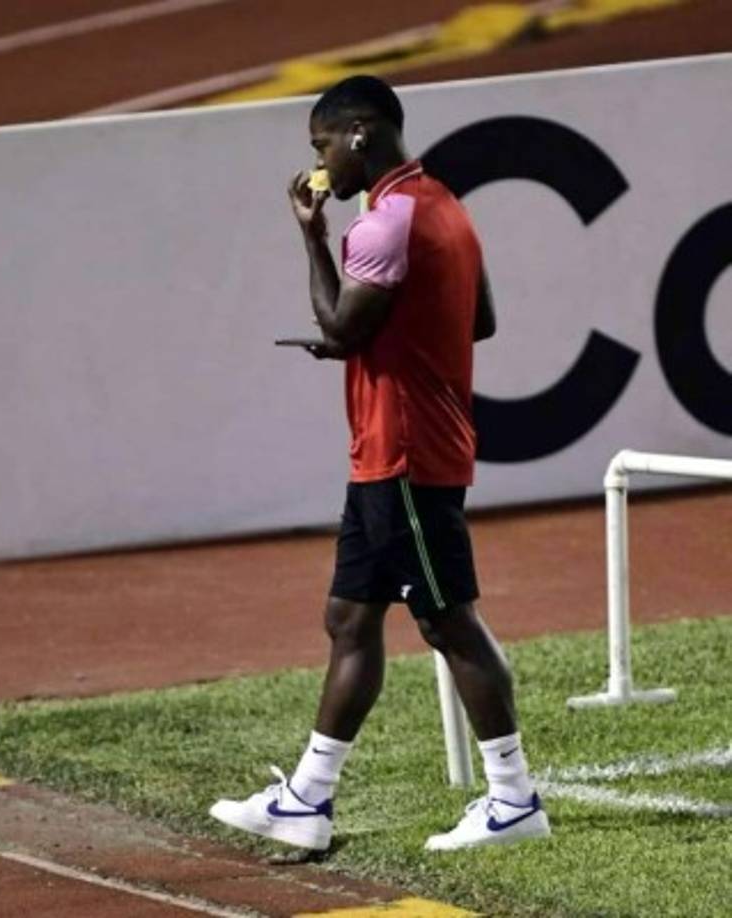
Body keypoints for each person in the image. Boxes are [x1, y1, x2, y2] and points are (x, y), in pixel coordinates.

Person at [210, 75, 550, 852]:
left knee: (448, 620)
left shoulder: (386, 222)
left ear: (359, 133)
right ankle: (308, 799)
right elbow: (481, 321)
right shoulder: (444, 206)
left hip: (404, 451)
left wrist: (310, 233)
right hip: (394, 450)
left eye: (321, 144)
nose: (319, 162)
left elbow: (340, 326)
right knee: (350, 617)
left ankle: (514, 799)